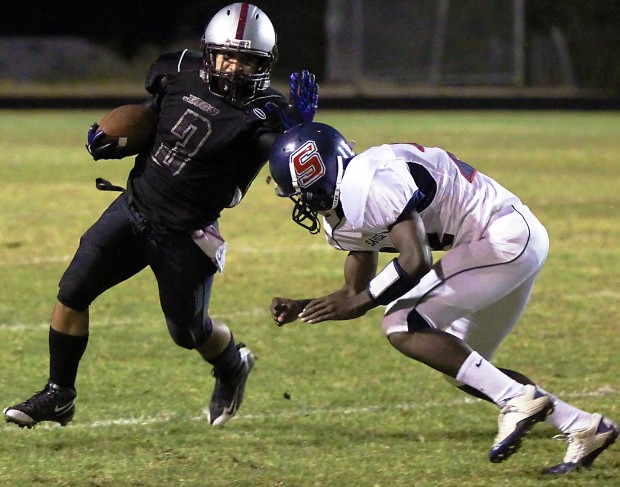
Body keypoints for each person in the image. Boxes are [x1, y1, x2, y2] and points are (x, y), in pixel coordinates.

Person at [3, 3, 318, 429]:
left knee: (189, 333)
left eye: (247, 61)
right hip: (135, 207)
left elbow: (291, 170)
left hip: (186, 234)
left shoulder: (266, 115)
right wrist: (114, 138)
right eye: (228, 56)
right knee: (73, 290)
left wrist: (300, 134)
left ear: (263, 65)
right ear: (209, 52)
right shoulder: (178, 71)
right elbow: (153, 115)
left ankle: (232, 364)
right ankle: (60, 393)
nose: (235, 68)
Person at [268, 122, 618, 473]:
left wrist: (362, 302)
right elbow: (354, 293)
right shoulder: (347, 207)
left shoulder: (367, 177)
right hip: (505, 244)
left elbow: (415, 260)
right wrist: (304, 306)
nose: (303, 204)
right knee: (466, 367)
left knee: (400, 321)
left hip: (499, 237)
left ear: (321, 176)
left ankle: (517, 401)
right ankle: (584, 427)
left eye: (303, 193)